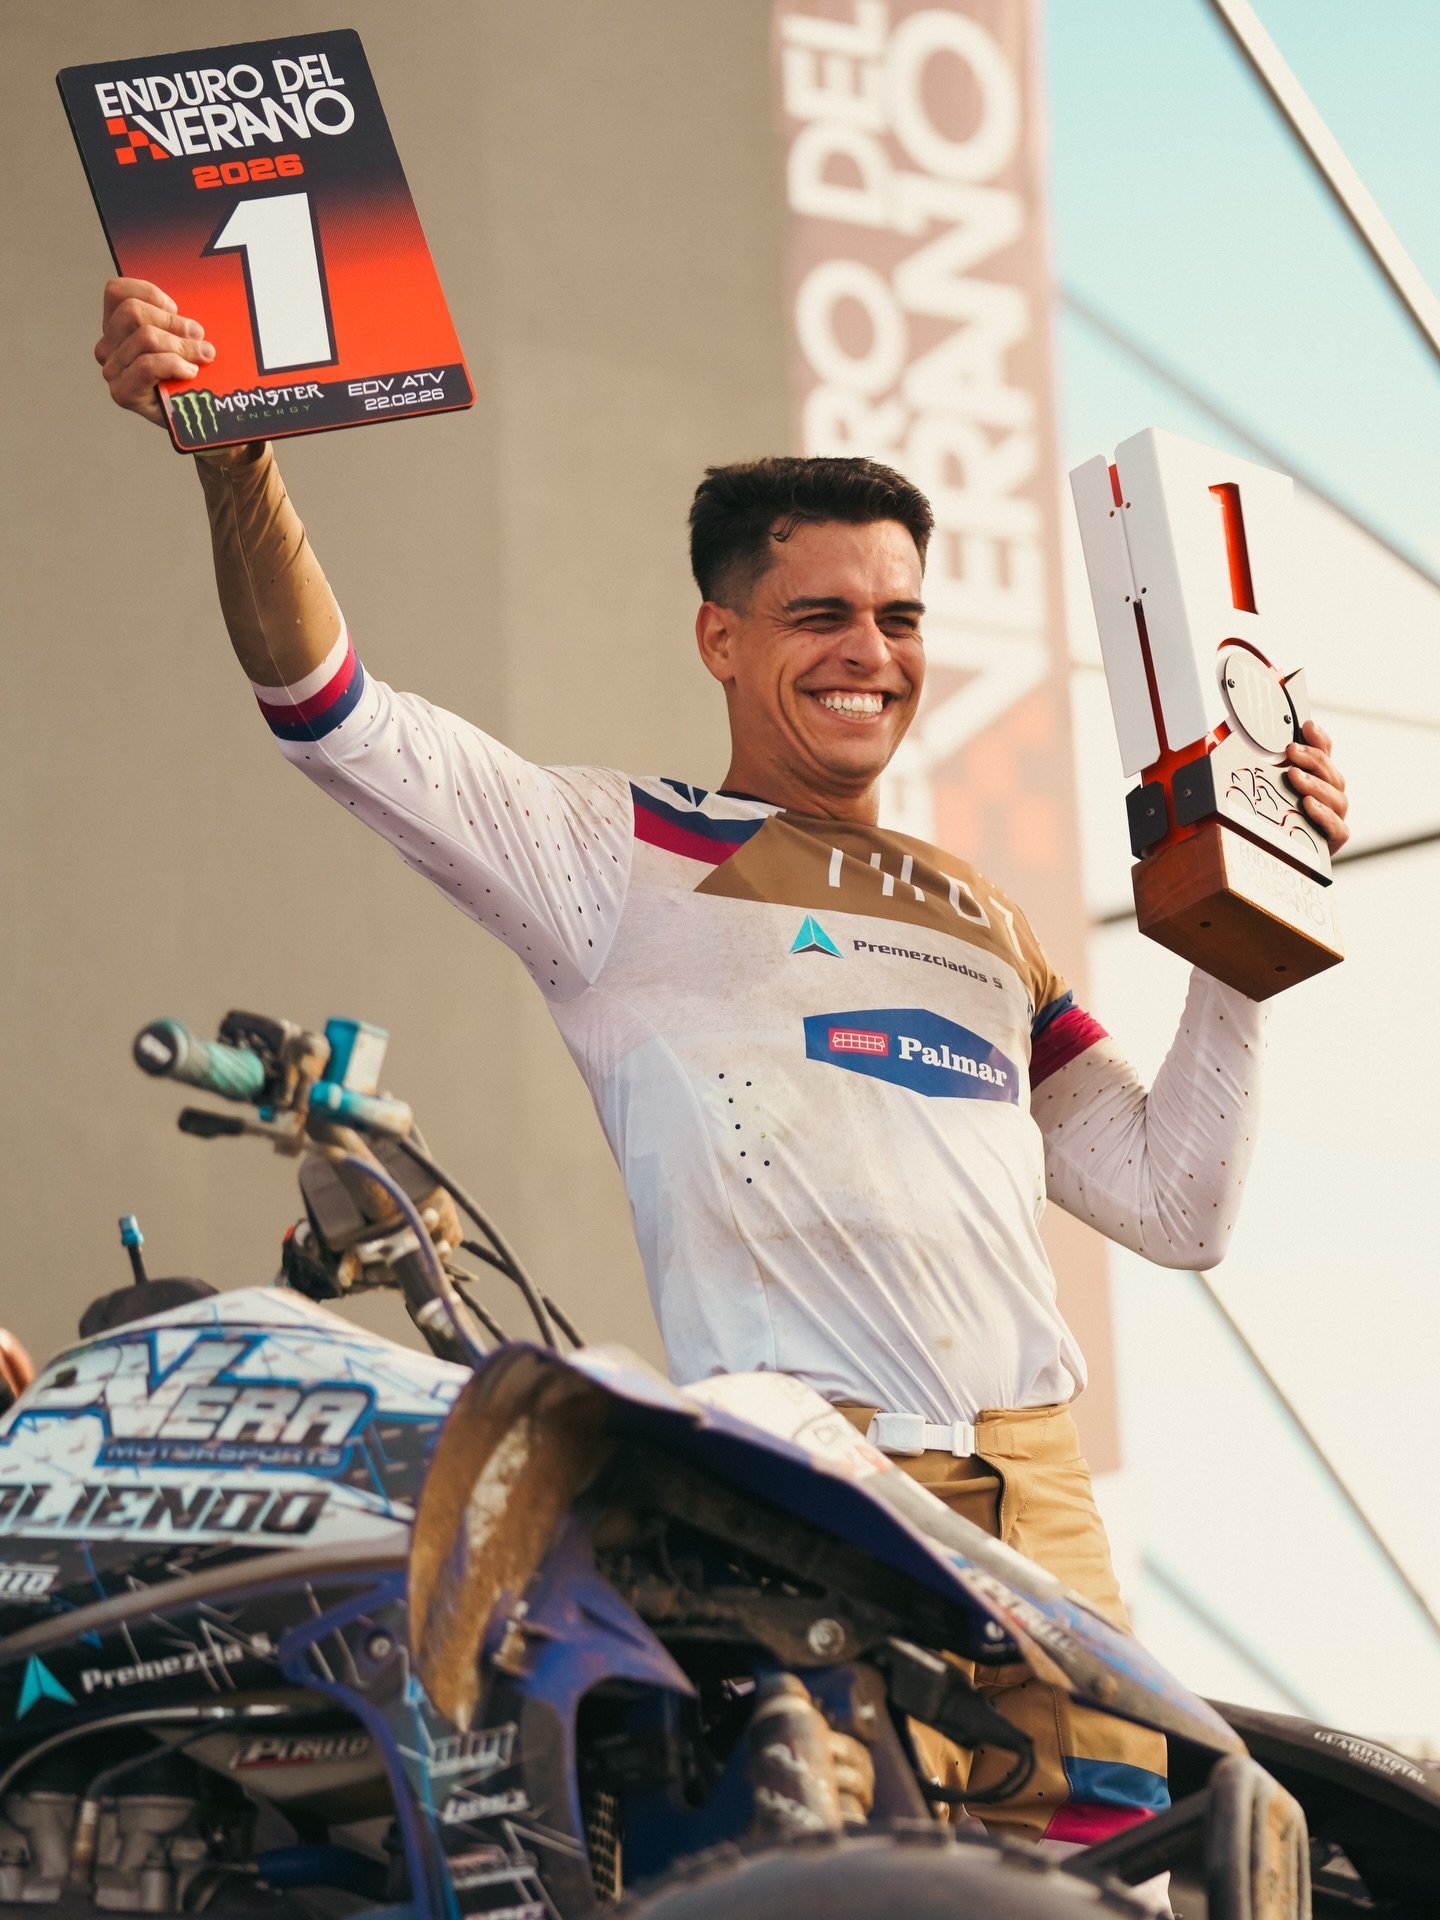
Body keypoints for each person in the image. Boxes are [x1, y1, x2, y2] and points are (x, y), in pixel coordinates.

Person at [94, 277, 1349, 1850]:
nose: (869, 653)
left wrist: (1250, 901)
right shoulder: (611, 852)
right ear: (722, 635)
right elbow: (333, 713)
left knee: (1121, 1888)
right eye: (822, 615)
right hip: (806, 1500)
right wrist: (237, 464)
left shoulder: (982, 917)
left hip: (1042, 1505)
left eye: (899, 618)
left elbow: (1180, 1206)